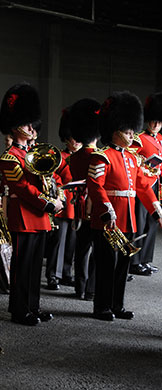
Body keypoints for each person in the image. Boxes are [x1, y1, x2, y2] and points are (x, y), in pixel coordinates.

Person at [87, 91, 162, 321]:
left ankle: (117, 305)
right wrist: (106, 209)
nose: (132, 137)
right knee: (107, 265)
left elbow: (141, 186)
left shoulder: (130, 158)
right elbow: (95, 186)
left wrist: (155, 207)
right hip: (108, 220)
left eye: (132, 131)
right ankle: (101, 307)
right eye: (128, 132)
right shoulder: (102, 156)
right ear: (115, 131)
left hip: (128, 218)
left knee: (122, 266)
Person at [0, 82, 63, 326]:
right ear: (15, 128)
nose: (31, 128)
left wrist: (59, 197)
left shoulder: (35, 153)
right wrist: (48, 204)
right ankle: (19, 309)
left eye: (31, 123)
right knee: (22, 268)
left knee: (35, 267)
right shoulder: (9, 157)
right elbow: (22, 189)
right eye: (26, 124)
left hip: (40, 217)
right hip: (24, 216)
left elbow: (53, 178)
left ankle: (33, 306)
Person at [69, 98, 101, 300]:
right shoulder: (97, 156)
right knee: (96, 252)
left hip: (79, 207)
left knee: (80, 251)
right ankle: (90, 290)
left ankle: (79, 287)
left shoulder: (75, 156)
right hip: (94, 207)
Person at [129, 92, 162, 276]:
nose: (155, 124)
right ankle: (134, 261)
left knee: (152, 223)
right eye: (152, 121)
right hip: (142, 186)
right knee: (140, 224)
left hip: (156, 186)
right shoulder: (139, 139)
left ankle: (145, 259)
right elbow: (132, 163)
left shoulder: (161, 140)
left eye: (158, 121)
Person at [44, 107, 76, 291]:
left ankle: (66, 273)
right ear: (66, 138)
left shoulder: (82, 157)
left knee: (72, 242)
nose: (76, 142)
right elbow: (52, 177)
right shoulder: (59, 157)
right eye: (73, 138)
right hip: (63, 203)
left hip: (76, 206)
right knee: (59, 241)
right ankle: (53, 275)